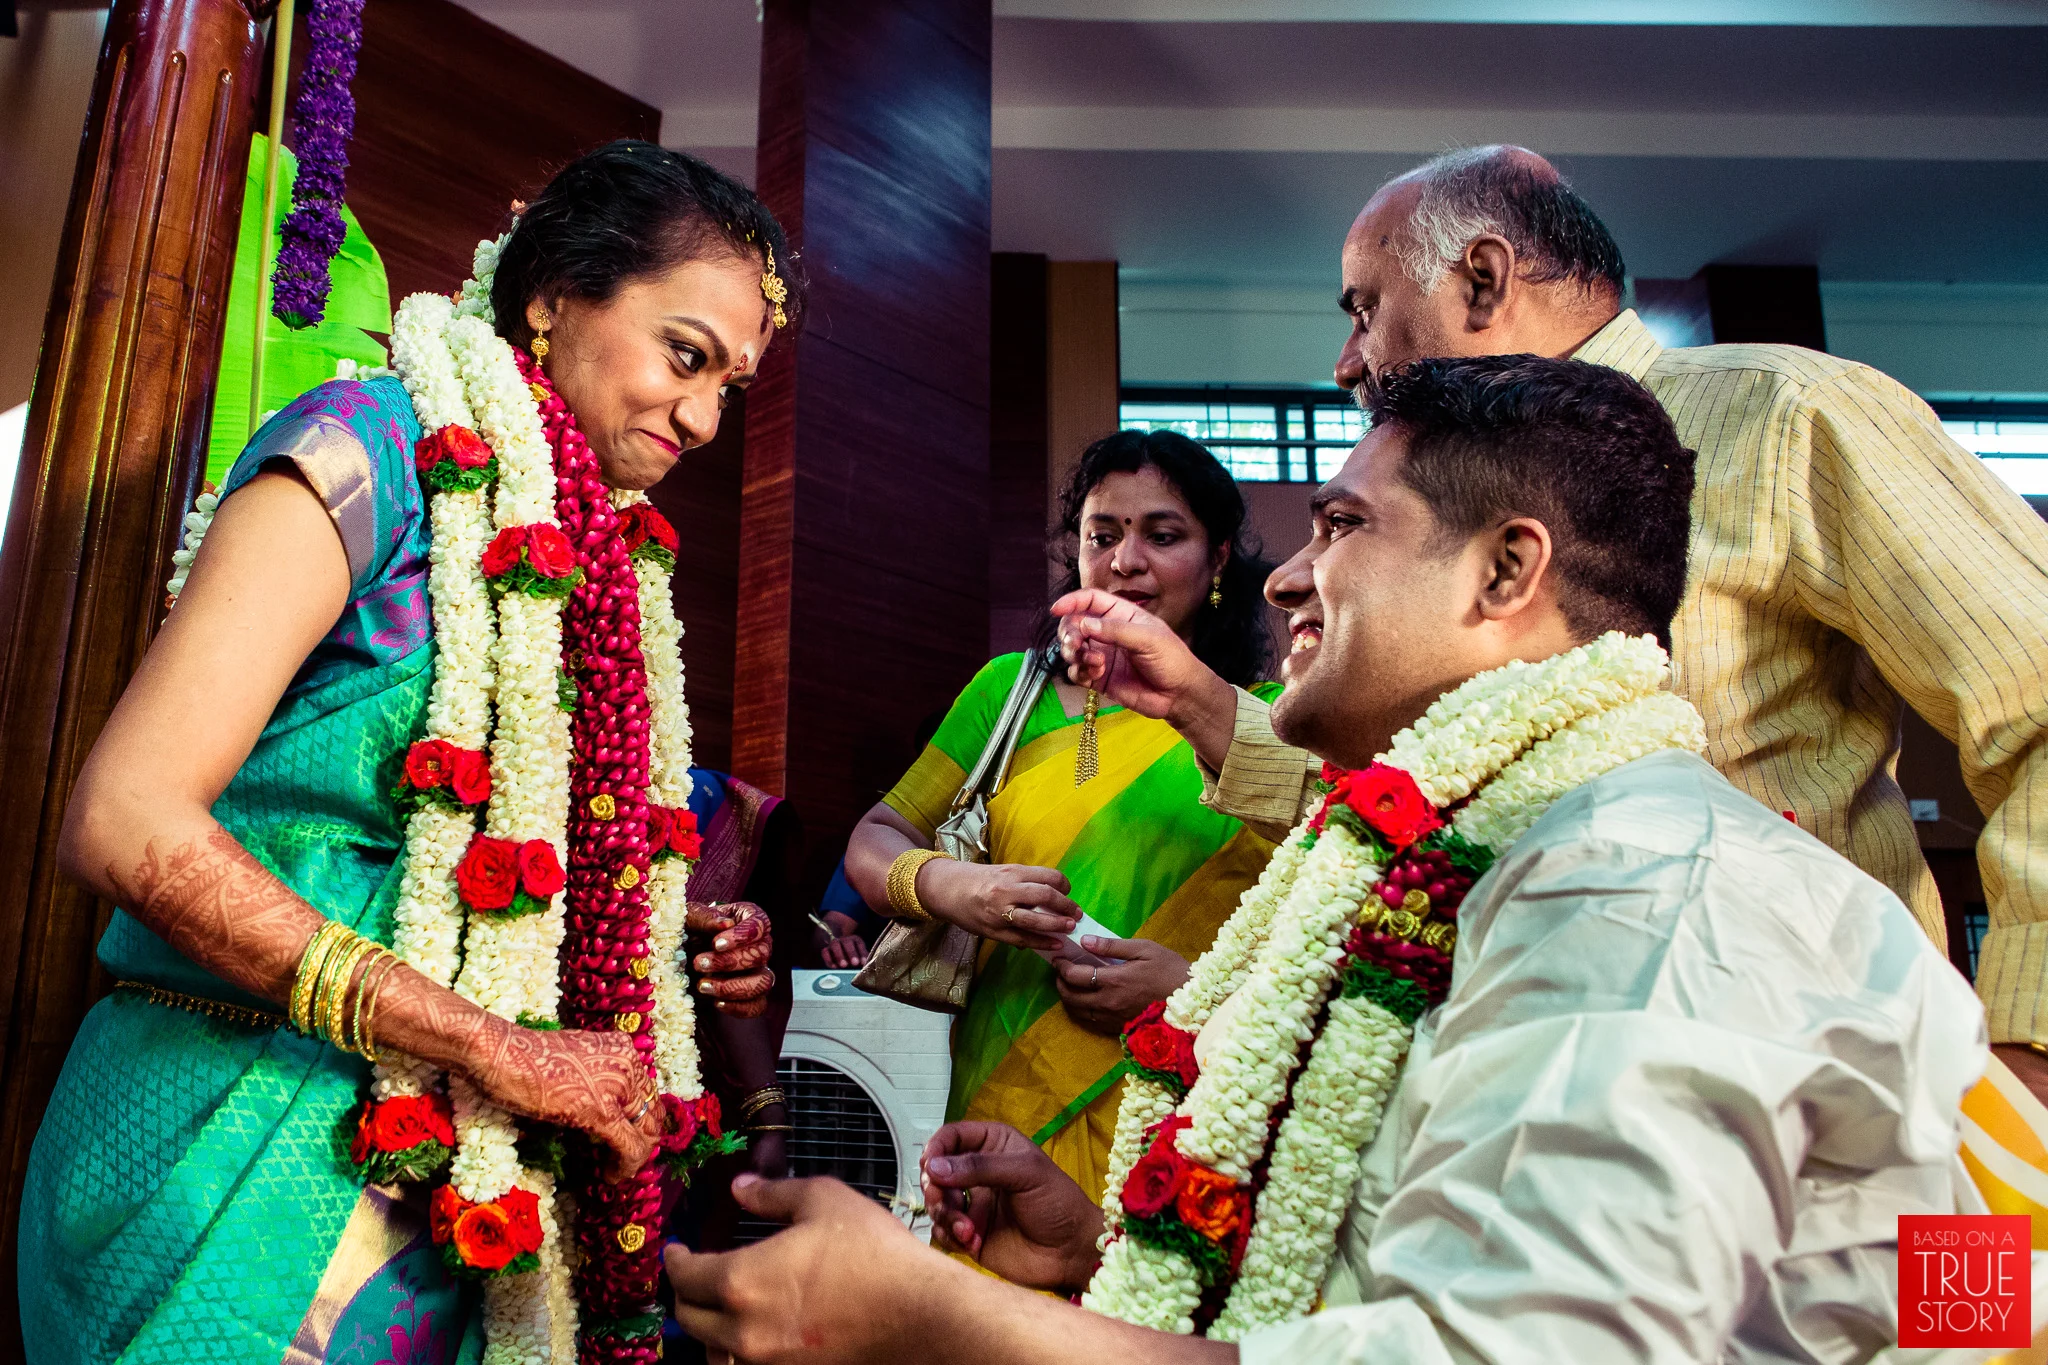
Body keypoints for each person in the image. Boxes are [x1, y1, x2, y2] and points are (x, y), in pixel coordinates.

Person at [663, 356, 1999, 1365]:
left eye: (1345, 526)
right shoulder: (1480, 856)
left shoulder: (1637, 892)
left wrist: (956, 1327)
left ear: (1504, 573)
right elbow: (1410, 1240)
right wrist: (1087, 1248)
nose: (1291, 578)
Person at [20, 142, 791, 1364]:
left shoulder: (591, 551)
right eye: (685, 356)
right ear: (554, 295)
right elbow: (125, 819)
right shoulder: (367, 449)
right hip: (229, 1148)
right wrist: (491, 1045)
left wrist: (645, 926)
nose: (702, 418)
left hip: (451, 1204)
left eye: (729, 388)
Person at [1193, 145, 2048, 1112]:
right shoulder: (1431, 494)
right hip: (1520, 1079)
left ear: (1483, 280)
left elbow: (2036, 693)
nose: (1347, 361)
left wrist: (2031, 1052)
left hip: (1795, 1082)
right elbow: (1446, 783)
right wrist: (1195, 703)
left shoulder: (1781, 415)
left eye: (1363, 309)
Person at [843, 430, 1279, 1202]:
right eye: (1102, 536)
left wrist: (1189, 992)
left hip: (1188, 1101)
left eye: (1162, 536)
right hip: (1004, 1084)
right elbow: (876, 838)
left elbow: (1333, 922)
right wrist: (955, 887)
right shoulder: (1008, 693)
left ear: (1217, 560)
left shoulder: (1270, 725)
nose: (1125, 561)